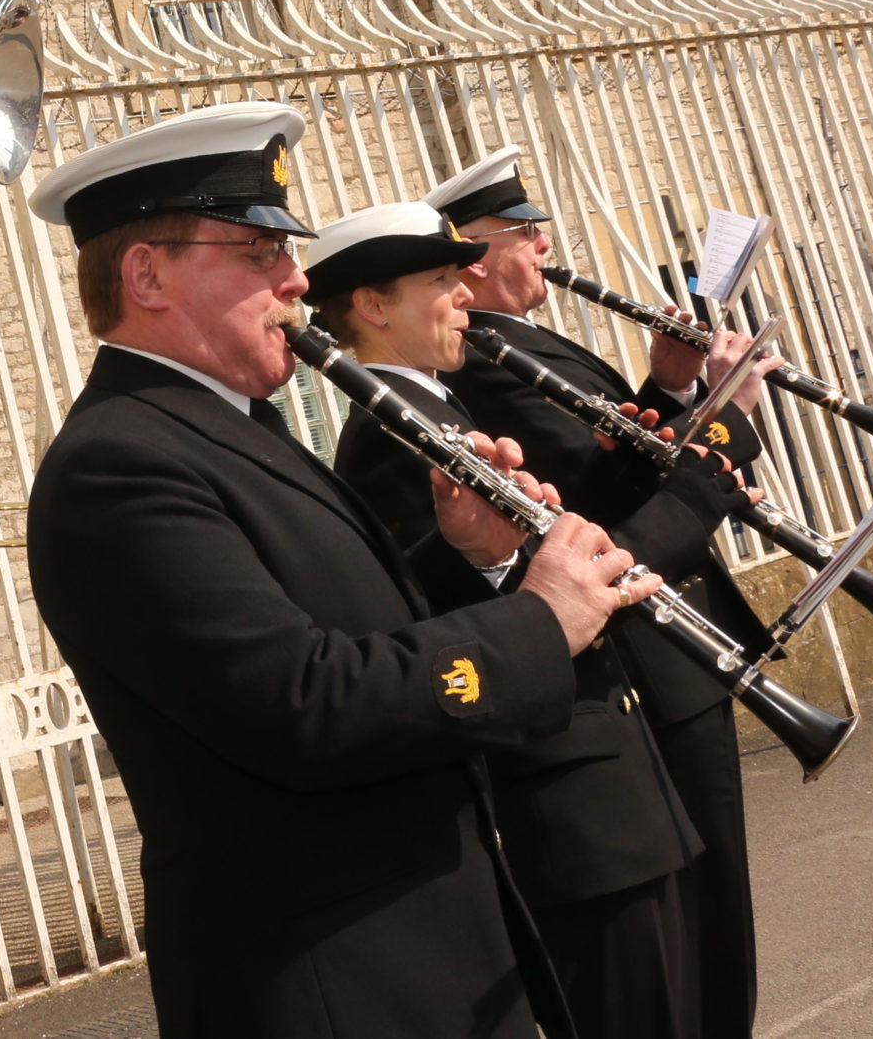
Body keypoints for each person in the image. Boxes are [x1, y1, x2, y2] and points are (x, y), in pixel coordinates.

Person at [22, 102, 662, 1039]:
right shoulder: (119, 466)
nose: (295, 279)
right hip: (330, 983)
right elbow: (303, 705)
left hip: (404, 956)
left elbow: (356, 641)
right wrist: (539, 619)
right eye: (257, 253)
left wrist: (468, 558)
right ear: (146, 274)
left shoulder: (231, 426)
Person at [303, 203, 718, 1039]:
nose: (465, 296)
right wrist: (679, 509)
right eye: (440, 281)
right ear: (375, 307)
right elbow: (450, 620)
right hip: (567, 814)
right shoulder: (393, 442)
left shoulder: (441, 414)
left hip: (610, 797)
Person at [425, 147, 780, 1039]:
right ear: (473, 256)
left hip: (670, 653)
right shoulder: (489, 364)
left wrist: (672, 386)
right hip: (644, 664)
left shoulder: (528, 342)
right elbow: (599, 511)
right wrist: (725, 423)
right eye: (523, 233)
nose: (545, 244)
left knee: (712, 917)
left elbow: (614, 467)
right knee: (695, 930)